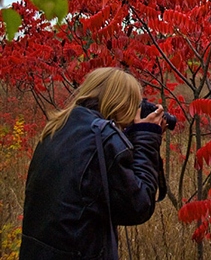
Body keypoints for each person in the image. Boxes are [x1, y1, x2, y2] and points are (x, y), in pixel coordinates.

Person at [19, 67, 168, 260]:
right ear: (123, 103)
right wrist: (147, 137)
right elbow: (139, 206)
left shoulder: (57, 128)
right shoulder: (103, 138)